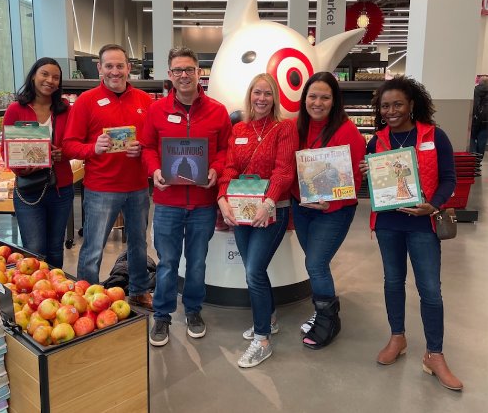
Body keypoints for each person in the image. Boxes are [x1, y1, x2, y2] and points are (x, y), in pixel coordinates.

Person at [361, 76, 462, 391]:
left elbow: (448, 179)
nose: (391, 111)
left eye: (397, 104)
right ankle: (398, 338)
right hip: (389, 224)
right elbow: (373, 187)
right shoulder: (376, 142)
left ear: (412, 105)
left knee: (430, 289)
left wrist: (433, 206)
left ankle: (434, 353)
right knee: (393, 282)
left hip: (424, 223)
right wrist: (367, 173)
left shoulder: (435, 136)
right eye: (385, 105)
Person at [141, 47, 231, 347]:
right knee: (167, 262)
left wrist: (217, 169)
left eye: (189, 70)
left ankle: (193, 311)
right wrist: (154, 171)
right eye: (177, 70)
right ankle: (162, 317)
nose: (183, 75)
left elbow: (224, 150)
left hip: (202, 204)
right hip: (168, 203)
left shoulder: (217, 111)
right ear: (169, 75)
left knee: (196, 262)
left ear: (199, 73)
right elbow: (148, 147)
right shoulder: (157, 111)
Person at [62, 44, 153, 309]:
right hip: (101, 188)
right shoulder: (86, 102)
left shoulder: (144, 101)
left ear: (129, 68)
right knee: (93, 247)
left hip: (137, 187)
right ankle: (86, 297)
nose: (115, 71)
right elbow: (69, 145)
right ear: (100, 68)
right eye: (109, 66)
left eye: (120, 65)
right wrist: (93, 148)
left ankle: (137, 290)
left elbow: (153, 142)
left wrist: (142, 148)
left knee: (138, 243)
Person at [217, 73, 298, 368]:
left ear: (274, 97)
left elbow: (284, 171)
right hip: (241, 212)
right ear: (250, 96)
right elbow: (229, 168)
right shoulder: (239, 128)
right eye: (256, 93)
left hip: (272, 211)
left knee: (253, 270)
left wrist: (268, 202)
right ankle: (270, 317)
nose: (261, 98)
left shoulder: (284, 128)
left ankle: (262, 339)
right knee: (255, 270)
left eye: (267, 93)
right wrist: (222, 198)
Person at [292, 72, 366, 350]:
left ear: (335, 101)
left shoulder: (348, 132)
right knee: (314, 262)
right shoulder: (296, 127)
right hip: (302, 209)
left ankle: (328, 319)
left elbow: (354, 181)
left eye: (325, 97)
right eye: (313, 96)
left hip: (334, 211)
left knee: (315, 264)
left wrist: (331, 203)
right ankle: (322, 310)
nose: (318, 103)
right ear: (305, 99)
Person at [3, 57, 73, 268]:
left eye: (56, 77)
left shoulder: (65, 110)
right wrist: (24, 166)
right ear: (34, 75)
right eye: (45, 74)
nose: (50, 80)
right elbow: (7, 151)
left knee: (55, 248)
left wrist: (64, 153)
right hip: (29, 190)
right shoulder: (16, 109)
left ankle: (55, 294)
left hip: (60, 188)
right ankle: (35, 295)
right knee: (34, 250)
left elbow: (75, 141)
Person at [469, 75, 488, 158]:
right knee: (482, 139)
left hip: (475, 119)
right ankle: (479, 158)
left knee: (472, 137)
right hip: (486, 120)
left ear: (479, 82)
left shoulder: (475, 90)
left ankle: (473, 155)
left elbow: (475, 104)